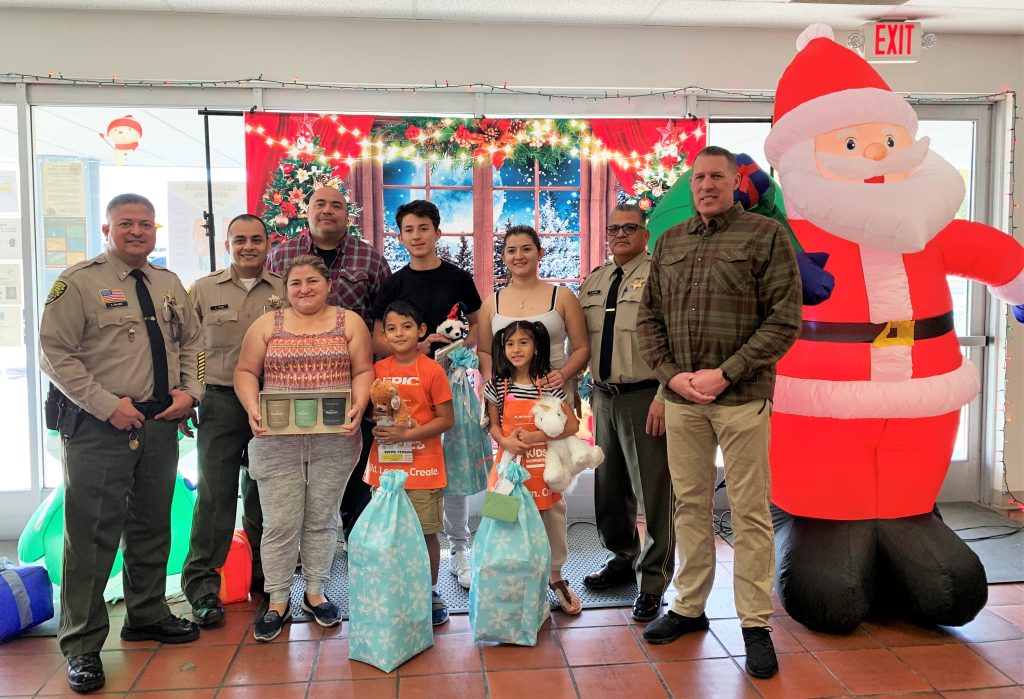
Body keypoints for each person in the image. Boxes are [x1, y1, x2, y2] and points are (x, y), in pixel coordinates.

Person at [636, 146, 802, 679]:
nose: (706, 185)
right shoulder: (670, 241)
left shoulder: (765, 236)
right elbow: (649, 321)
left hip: (742, 398)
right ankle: (688, 607)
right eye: (698, 177)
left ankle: (755, 623)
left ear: (736, 181)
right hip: (684, 400)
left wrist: (726, 372)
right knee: (689, 506)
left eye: (716, 176)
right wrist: (672, 376)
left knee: (751, 512)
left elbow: (785, 319)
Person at [39, 193, 204, 694]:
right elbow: (54, 353)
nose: (137, 231)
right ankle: (83, 646)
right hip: (98, 427)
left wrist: (191, 390)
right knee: (90, 538)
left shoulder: (170, 283)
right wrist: (106, 404)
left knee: (151, 525)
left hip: (159, 425)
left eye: (146, 224)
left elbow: (195, 345)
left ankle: (147, 614)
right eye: (126, 224)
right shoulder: (79, 283)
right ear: (107, 229)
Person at [235, 255, 372, 642]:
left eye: (313, 281)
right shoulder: (267, 325)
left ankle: (315, 591)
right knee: (280, 521)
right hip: (275, 438)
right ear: (286, 288)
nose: (305, 289)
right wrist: (251, 407)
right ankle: (277, 599)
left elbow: (363, 370)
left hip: (336, 436)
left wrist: (359, 405)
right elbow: (246, 371)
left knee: (323, 517)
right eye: (296, 283)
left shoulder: (349, 322)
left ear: (328, 284)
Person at [370, 200, 482, 590]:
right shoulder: (393, 285)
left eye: (423, 228)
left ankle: (460, 549)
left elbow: (478, 327)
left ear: (437, 232)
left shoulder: (459, 278)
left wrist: (456, 352)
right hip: (403, 391)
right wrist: (415, 351)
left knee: (451, 470)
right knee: (411, 465)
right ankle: (405, 549)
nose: (416, 236)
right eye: (408, 230)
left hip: (452, 385)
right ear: (400, 236)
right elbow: (378, 339)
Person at [266, 186, 390, 540]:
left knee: (356, 462)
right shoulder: (280, 256)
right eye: (319, 203)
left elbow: (383, 320)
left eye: (336, 205)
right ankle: (303, 542)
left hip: (354, 381)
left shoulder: (371, 260)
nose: (327, 211)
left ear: (346, 215)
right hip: (292, 383)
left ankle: (356, 536)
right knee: (298, 468)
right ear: (307, 211)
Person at [180, 214, 284, 626]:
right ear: (227, 244)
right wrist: (188, 395)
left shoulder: (284, 289)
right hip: (221, 403)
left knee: (265, 498)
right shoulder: (203, 290)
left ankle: (266, 584)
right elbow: (185, 347)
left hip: (272, 403)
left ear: (267, 243)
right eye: (239, 240)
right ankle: (202, 588)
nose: (248, 247)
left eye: (256, 239)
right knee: (215, 496)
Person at [578, 203, 675, 623]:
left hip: (646, 397)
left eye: (629, 228)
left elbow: (677, 342)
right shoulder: (596, 280)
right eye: (613, 228)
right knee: (609, 486)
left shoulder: (661, 276)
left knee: (654, 490)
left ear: (645, 233)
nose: (620, 234)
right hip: (604, 396)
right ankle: (622, 557)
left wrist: (665, 395)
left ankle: (652, 581)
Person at [365, 301, 455, 625]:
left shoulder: (432, 370)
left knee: (425, 532)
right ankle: (395, 588)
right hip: (385, 469)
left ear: (420, 331)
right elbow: (369, 412)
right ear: (384, 334)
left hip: (424, 468)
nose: (399, 333)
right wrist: (375, 420)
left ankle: (430, 591)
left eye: (406, 326)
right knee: (389, 533)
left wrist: (407, 434)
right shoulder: (377, 370)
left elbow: (446, 420)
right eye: (391, 328)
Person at [483, 320, 582, 615]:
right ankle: (511, 580)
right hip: (507, 467)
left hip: (545, 469)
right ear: (502, 348)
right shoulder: (495, 386)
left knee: (552, 522)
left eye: (523, 342)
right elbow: (494, 426)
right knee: (504, 524)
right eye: (510, 343)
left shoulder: (549, 384)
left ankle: (555, 578)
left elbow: (573, 425)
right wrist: (506, 442)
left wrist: (538, 436)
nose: (516, 349)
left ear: (536, 346)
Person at [478, 225, 589, 402]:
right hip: (507, 396)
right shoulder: (490, 303)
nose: (519, 256)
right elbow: (484, 351)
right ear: (503, 257)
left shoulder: (563, 297)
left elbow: (582, 348)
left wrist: (563, 374)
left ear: (540, 253)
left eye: (527, 249)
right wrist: (491, 380)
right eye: (511, 251)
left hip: (553, 392)